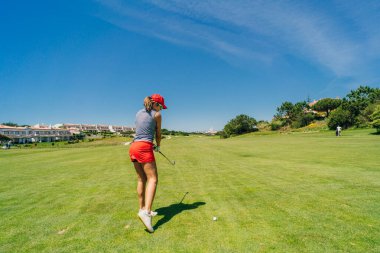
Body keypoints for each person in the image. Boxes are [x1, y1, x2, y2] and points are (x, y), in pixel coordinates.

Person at [129, 94, 167, 233]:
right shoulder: (156, 115)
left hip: (134, 146)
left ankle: (142, 209)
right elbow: (158, 133)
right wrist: (158, 145)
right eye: (161, 106)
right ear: (156, 104)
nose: (161, 109)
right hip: (144, 147)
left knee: (141, 178)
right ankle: (147, 212)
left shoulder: (138, 112)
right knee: (153, 179)